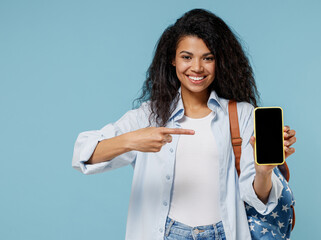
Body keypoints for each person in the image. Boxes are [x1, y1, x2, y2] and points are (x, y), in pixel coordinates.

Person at [72, 8, 296, 240]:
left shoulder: (242, 114)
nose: (197, 68)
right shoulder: (149, 116)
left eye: (207, 58)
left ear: (220, 61)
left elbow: (259, 201)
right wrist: (132, 140)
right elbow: (83, 154)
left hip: (223, 233)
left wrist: (263, 171)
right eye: (186, 57)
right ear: (172, 58)